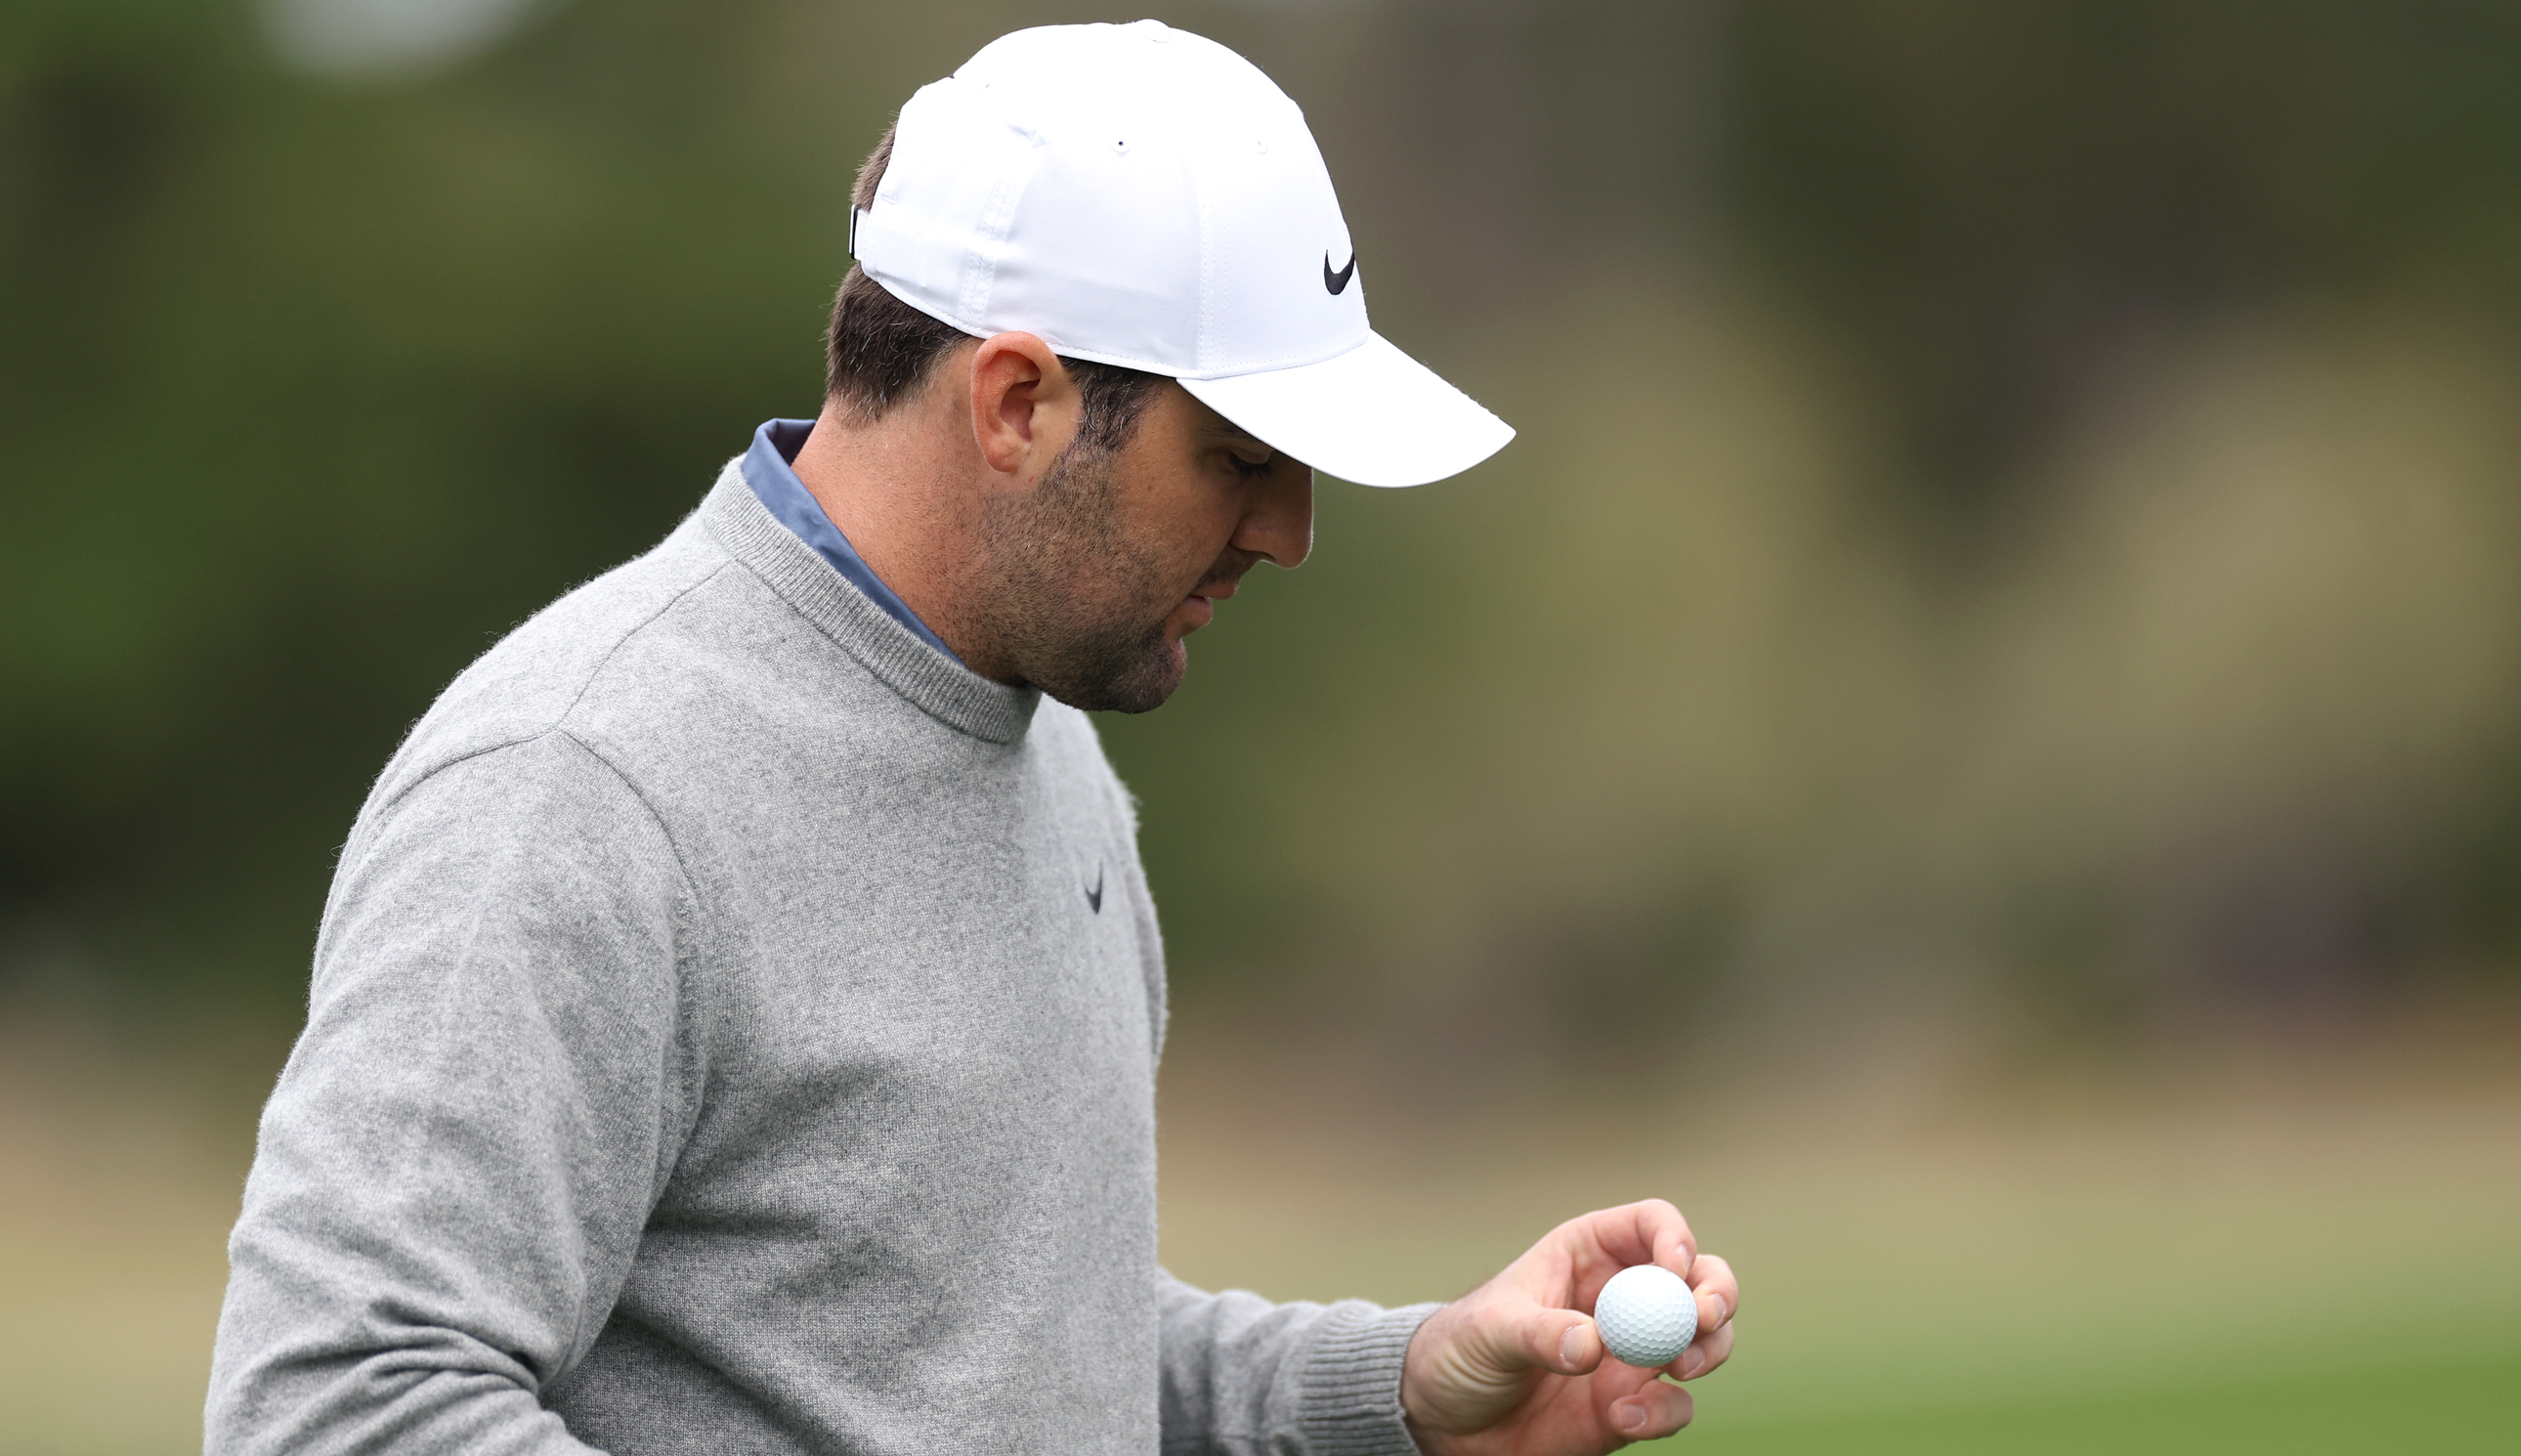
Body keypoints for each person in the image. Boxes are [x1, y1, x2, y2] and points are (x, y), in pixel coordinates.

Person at [207, 21, 1737, 1456]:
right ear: (1017, 402)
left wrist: (1397, 1389)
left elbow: (996, 1347)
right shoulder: (578, 787)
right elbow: (339, 1398)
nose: (1287, 533)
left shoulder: (1045, 750)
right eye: (1240, 459)